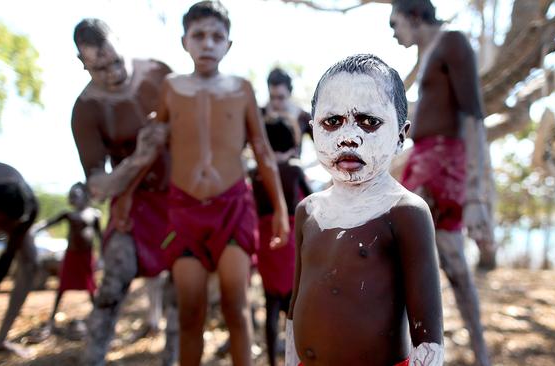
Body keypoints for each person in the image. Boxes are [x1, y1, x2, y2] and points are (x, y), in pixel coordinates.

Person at [152, 2, 290, 365]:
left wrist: (280, 208)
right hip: (184, 210)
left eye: (217, 37)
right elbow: (152, 144)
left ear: (228, 44)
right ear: (185, 41)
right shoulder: (170, 88)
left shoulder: (241, 88)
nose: (207, 44)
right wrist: (122, 197)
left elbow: (261, 149)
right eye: (199, 36)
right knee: (190, 311)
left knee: (235, 305)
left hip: (232, 206)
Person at [285, 54, 443, 366]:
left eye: (369, 122)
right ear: (313, 127)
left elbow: (428, 333)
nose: (348, 138)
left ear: (400, 135)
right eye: (332, 122)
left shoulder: (405, 212)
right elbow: (294, 308)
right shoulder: (309, 211)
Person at [390, 0, 493, 364]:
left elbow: (474, 118)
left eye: (395, 22)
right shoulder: (427, 56)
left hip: (444, 169)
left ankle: (480, 351)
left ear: (415, 17)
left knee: (452, 261)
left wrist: (476, 193)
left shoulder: (452, 42)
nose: (392, 31)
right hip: (422, 164)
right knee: (405, 258)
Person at [69, 18, 177, 366]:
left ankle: (173, 358)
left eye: (116, 61)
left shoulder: (160, 73)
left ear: (122, 43)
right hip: (133, 204)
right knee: (113, 282)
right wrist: (139, 158)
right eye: (100, 68)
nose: (113, 73)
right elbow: (98, 188)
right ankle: (93, 359)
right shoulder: (86, 110)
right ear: (82, 62)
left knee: (184, 288)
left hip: (180, 199)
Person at [249, 121, 311, 366]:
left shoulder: (256, 173)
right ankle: (297, 358)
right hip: (290, 239)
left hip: (266, 240)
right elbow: (311, 201)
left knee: (270, 301)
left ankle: (272, 362)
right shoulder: (294, 169)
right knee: (294, 304)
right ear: (291, 143)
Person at [31, 182, 101, 341]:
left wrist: (104, 255)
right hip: (72, 255)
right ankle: (52, 317)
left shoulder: (94, 215)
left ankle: (98, 315)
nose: (75, 199)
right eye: (73, 196)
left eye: (78, 196)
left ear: (85, 197)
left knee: (90, 286)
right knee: (63, 286)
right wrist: (34, 228)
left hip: (86, 256)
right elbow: (49, 222)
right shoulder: (68, 214)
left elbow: (100, 236)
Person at [0, 162, 39, 357]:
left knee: (31, 263)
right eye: (3, 224)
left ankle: (1, 340)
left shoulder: (28, 210)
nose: (6, 231)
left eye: (12, 227)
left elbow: (7, 257)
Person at [262, 68, 312, 155]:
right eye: (272, 97)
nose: (275, 103)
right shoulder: (260, 114)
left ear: (290, 93)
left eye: (280, 97)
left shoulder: (303, 116)